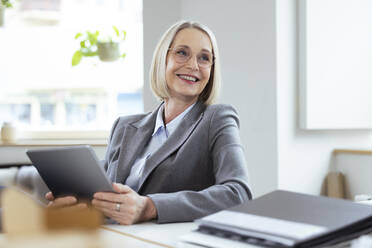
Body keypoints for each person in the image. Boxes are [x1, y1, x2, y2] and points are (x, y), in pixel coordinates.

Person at [46, 20, 252, 224]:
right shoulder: (124, 126)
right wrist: (78, 204)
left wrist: (150, 207)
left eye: (204, 58)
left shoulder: (216, 119)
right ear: (163, 58)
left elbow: (237, 193)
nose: (193, 65)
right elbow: (109, 199)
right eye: (182, 53)